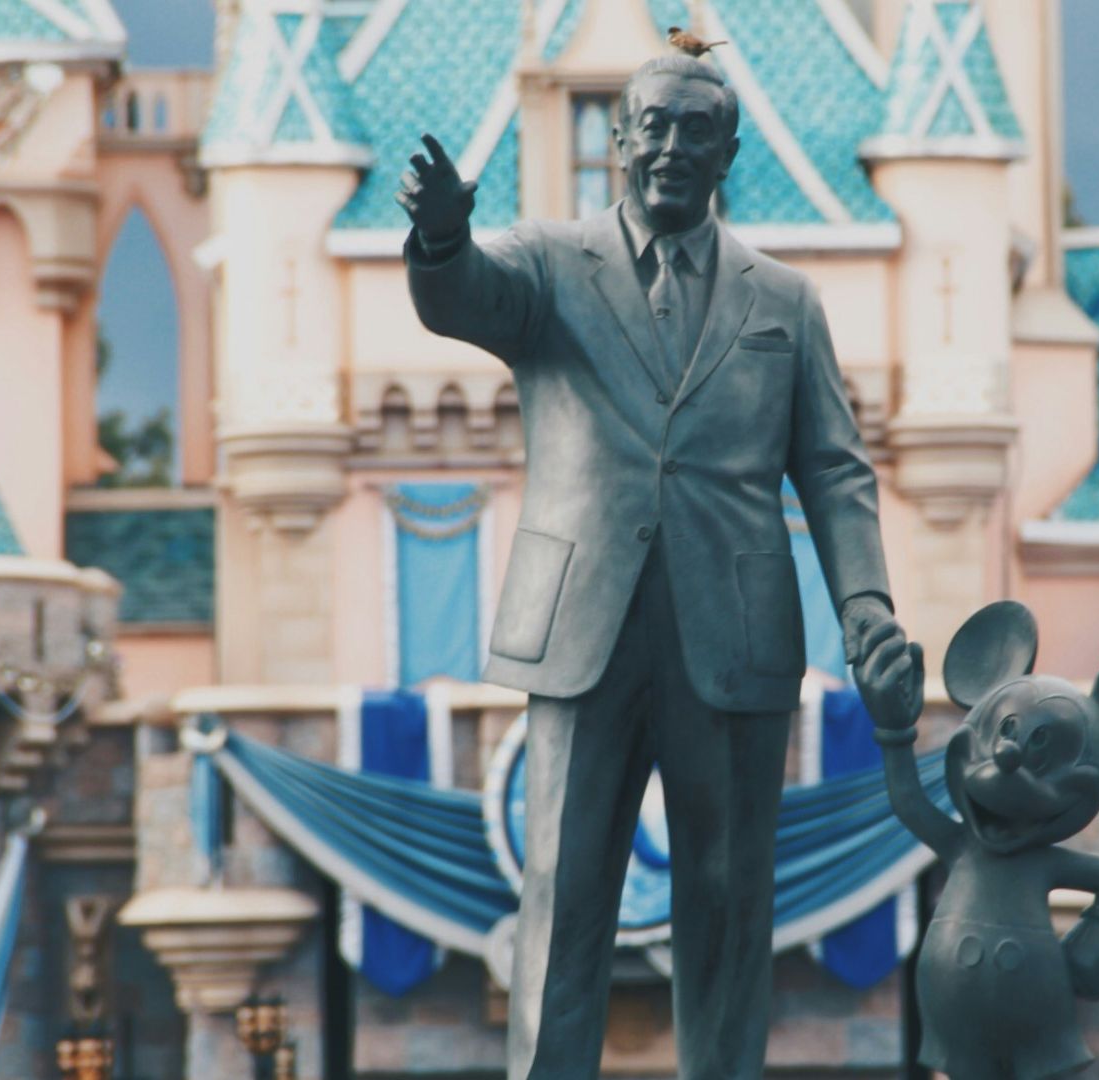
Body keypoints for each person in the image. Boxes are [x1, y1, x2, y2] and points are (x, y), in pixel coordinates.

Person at [399, 53, 917, 1080]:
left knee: (728, 904)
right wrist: (444, 238)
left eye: (697, 131)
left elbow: (833, 467)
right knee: (563, 896)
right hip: (581, 625)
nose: (673, 146)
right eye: (655, 126)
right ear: (620, 139)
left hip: (735, 634)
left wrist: (865, 606)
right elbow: (464, 300)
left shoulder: (786, 301)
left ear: (729, 153)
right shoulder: (549, 262)